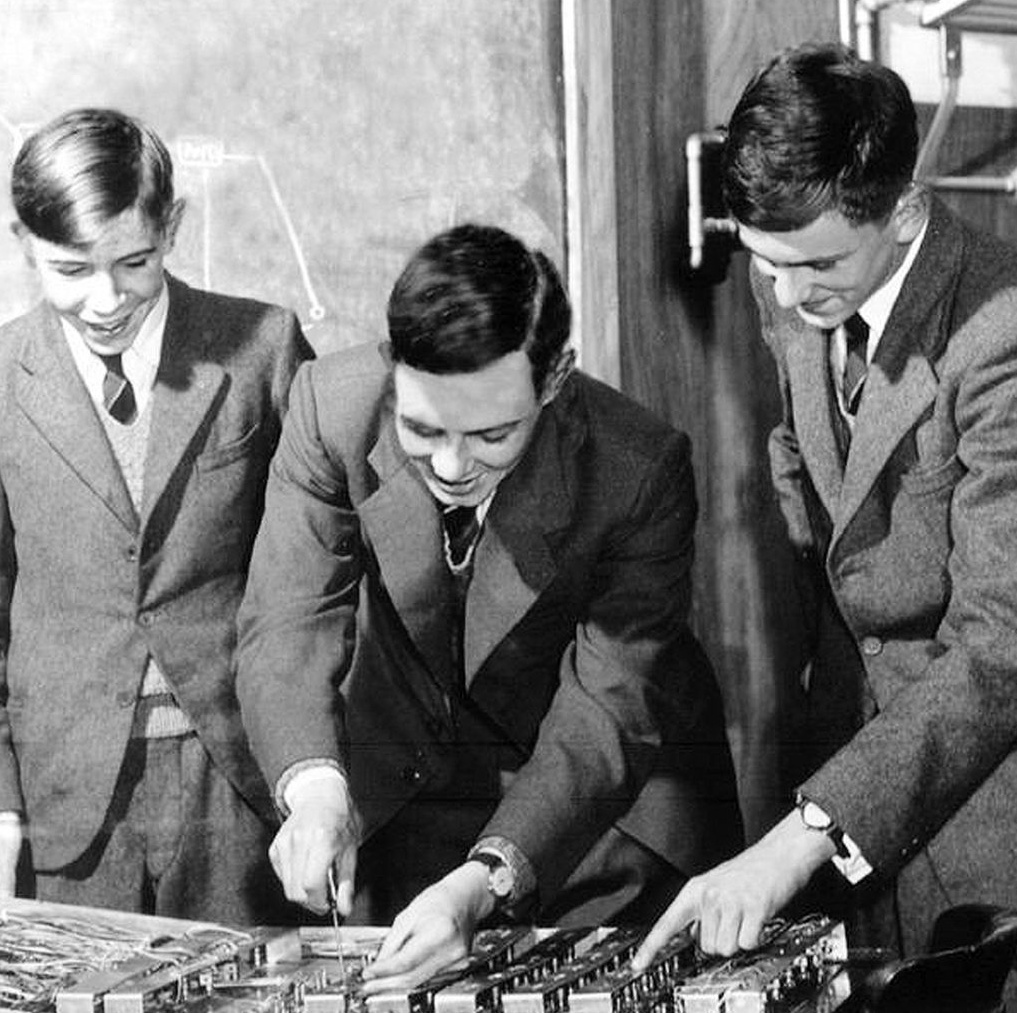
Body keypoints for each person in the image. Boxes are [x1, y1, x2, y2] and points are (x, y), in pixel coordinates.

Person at [634, 43, 1017, 1012]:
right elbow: (817, 484)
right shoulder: (797, 277)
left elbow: (1013, 640)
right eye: (767, 265)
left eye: (817, 265)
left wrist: (803, 835)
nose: (789, 297)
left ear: (905, 210)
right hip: (868, 806)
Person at [234, 223, 738, 994]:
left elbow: (607, 708)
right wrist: (316, 791)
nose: (451, 465)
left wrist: (485, 880)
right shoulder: (330, 407)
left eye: (492, 434)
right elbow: (288, 617)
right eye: (422, 428)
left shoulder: (637, 467)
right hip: (412, 800)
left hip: (603, 820)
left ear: (554, 379)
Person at [0, 107, 313, 923]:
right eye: (70, 270)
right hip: (64, 804)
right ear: (23, 243)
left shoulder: (263, 347)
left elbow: (321, 581)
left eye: (134, 262)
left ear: (173, 227)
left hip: (239, 782)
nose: (106, 300)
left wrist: (316, 776)